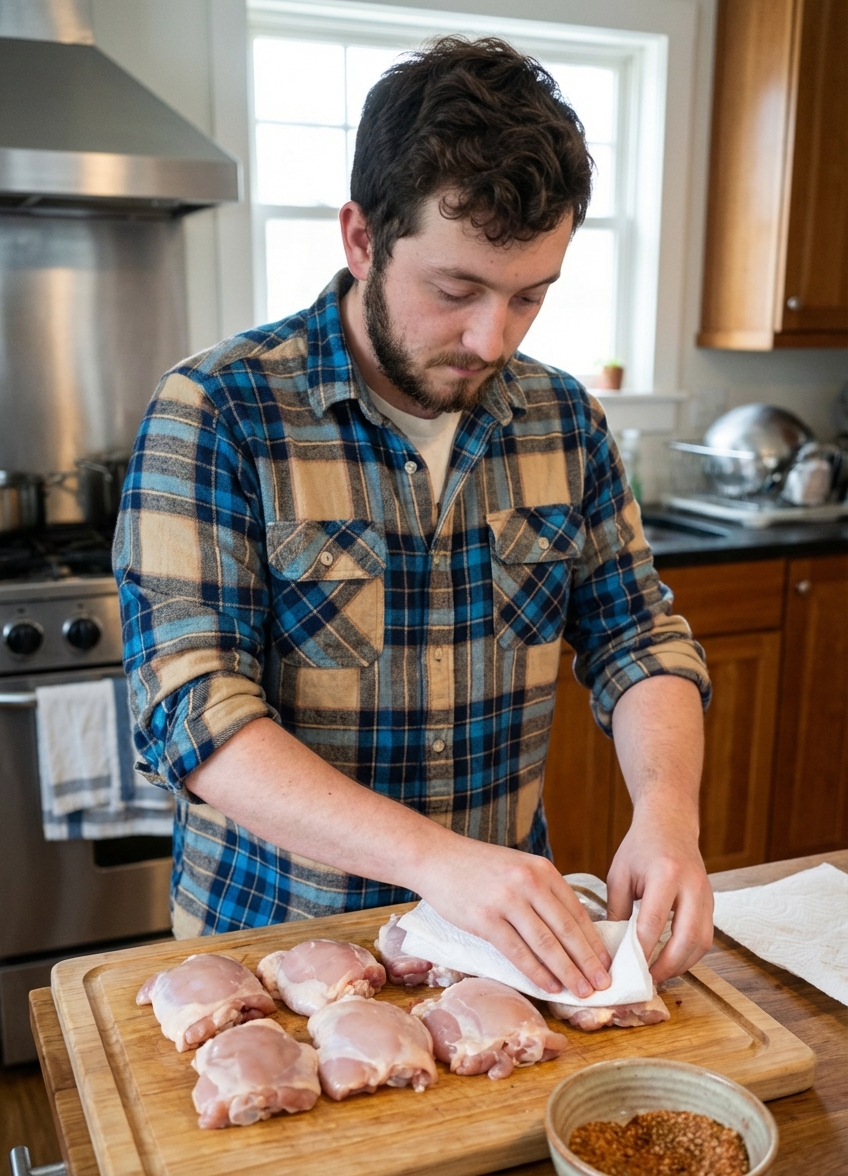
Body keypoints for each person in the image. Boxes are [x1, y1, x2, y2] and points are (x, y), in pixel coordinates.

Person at [114, 36, 713, 1000]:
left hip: (504, 947)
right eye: (455, 290)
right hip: (273, 963)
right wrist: (437, 861)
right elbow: (194, 711)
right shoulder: (216, 411)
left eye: (530, 296)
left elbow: (639, 637)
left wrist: (668, 815)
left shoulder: (564, 420)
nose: (493, 338)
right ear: (361, 239)